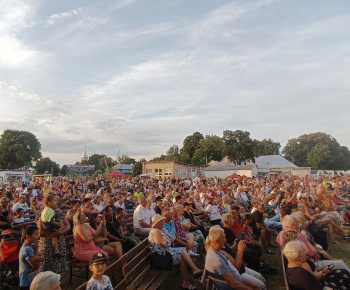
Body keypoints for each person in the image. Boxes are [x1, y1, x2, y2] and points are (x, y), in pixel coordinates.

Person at [148, 214, 203, 290]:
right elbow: (166, 244)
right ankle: (194, 270)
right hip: (160, 257)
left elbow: (172, 237)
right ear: (157, 223)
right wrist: (170, 240)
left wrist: (171, 240)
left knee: (182, 258)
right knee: (182, 250)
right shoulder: (156, 231)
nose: (163, 222)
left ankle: (186, 282)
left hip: (166, 252)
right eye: (162, 221)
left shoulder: (162, 229)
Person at [282, 232, 350, 289]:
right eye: (304, 251)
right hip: (322, 285)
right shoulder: (302, 274)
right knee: (343, 278)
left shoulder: (294, 265)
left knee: (343, 272)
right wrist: (323, 272)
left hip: (320, 281)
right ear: (299, 256)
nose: (306, 252)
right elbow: (315, 285)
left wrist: (322, 269)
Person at [19, 225, 45, 290]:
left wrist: (36, 258)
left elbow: (42, 257)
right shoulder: (26, 249)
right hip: (26, 282)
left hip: (33, 279)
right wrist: (36, 252)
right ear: (28, 237)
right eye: (36, 234)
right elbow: (36, 266)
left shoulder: (32, 245)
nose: (38, 236)